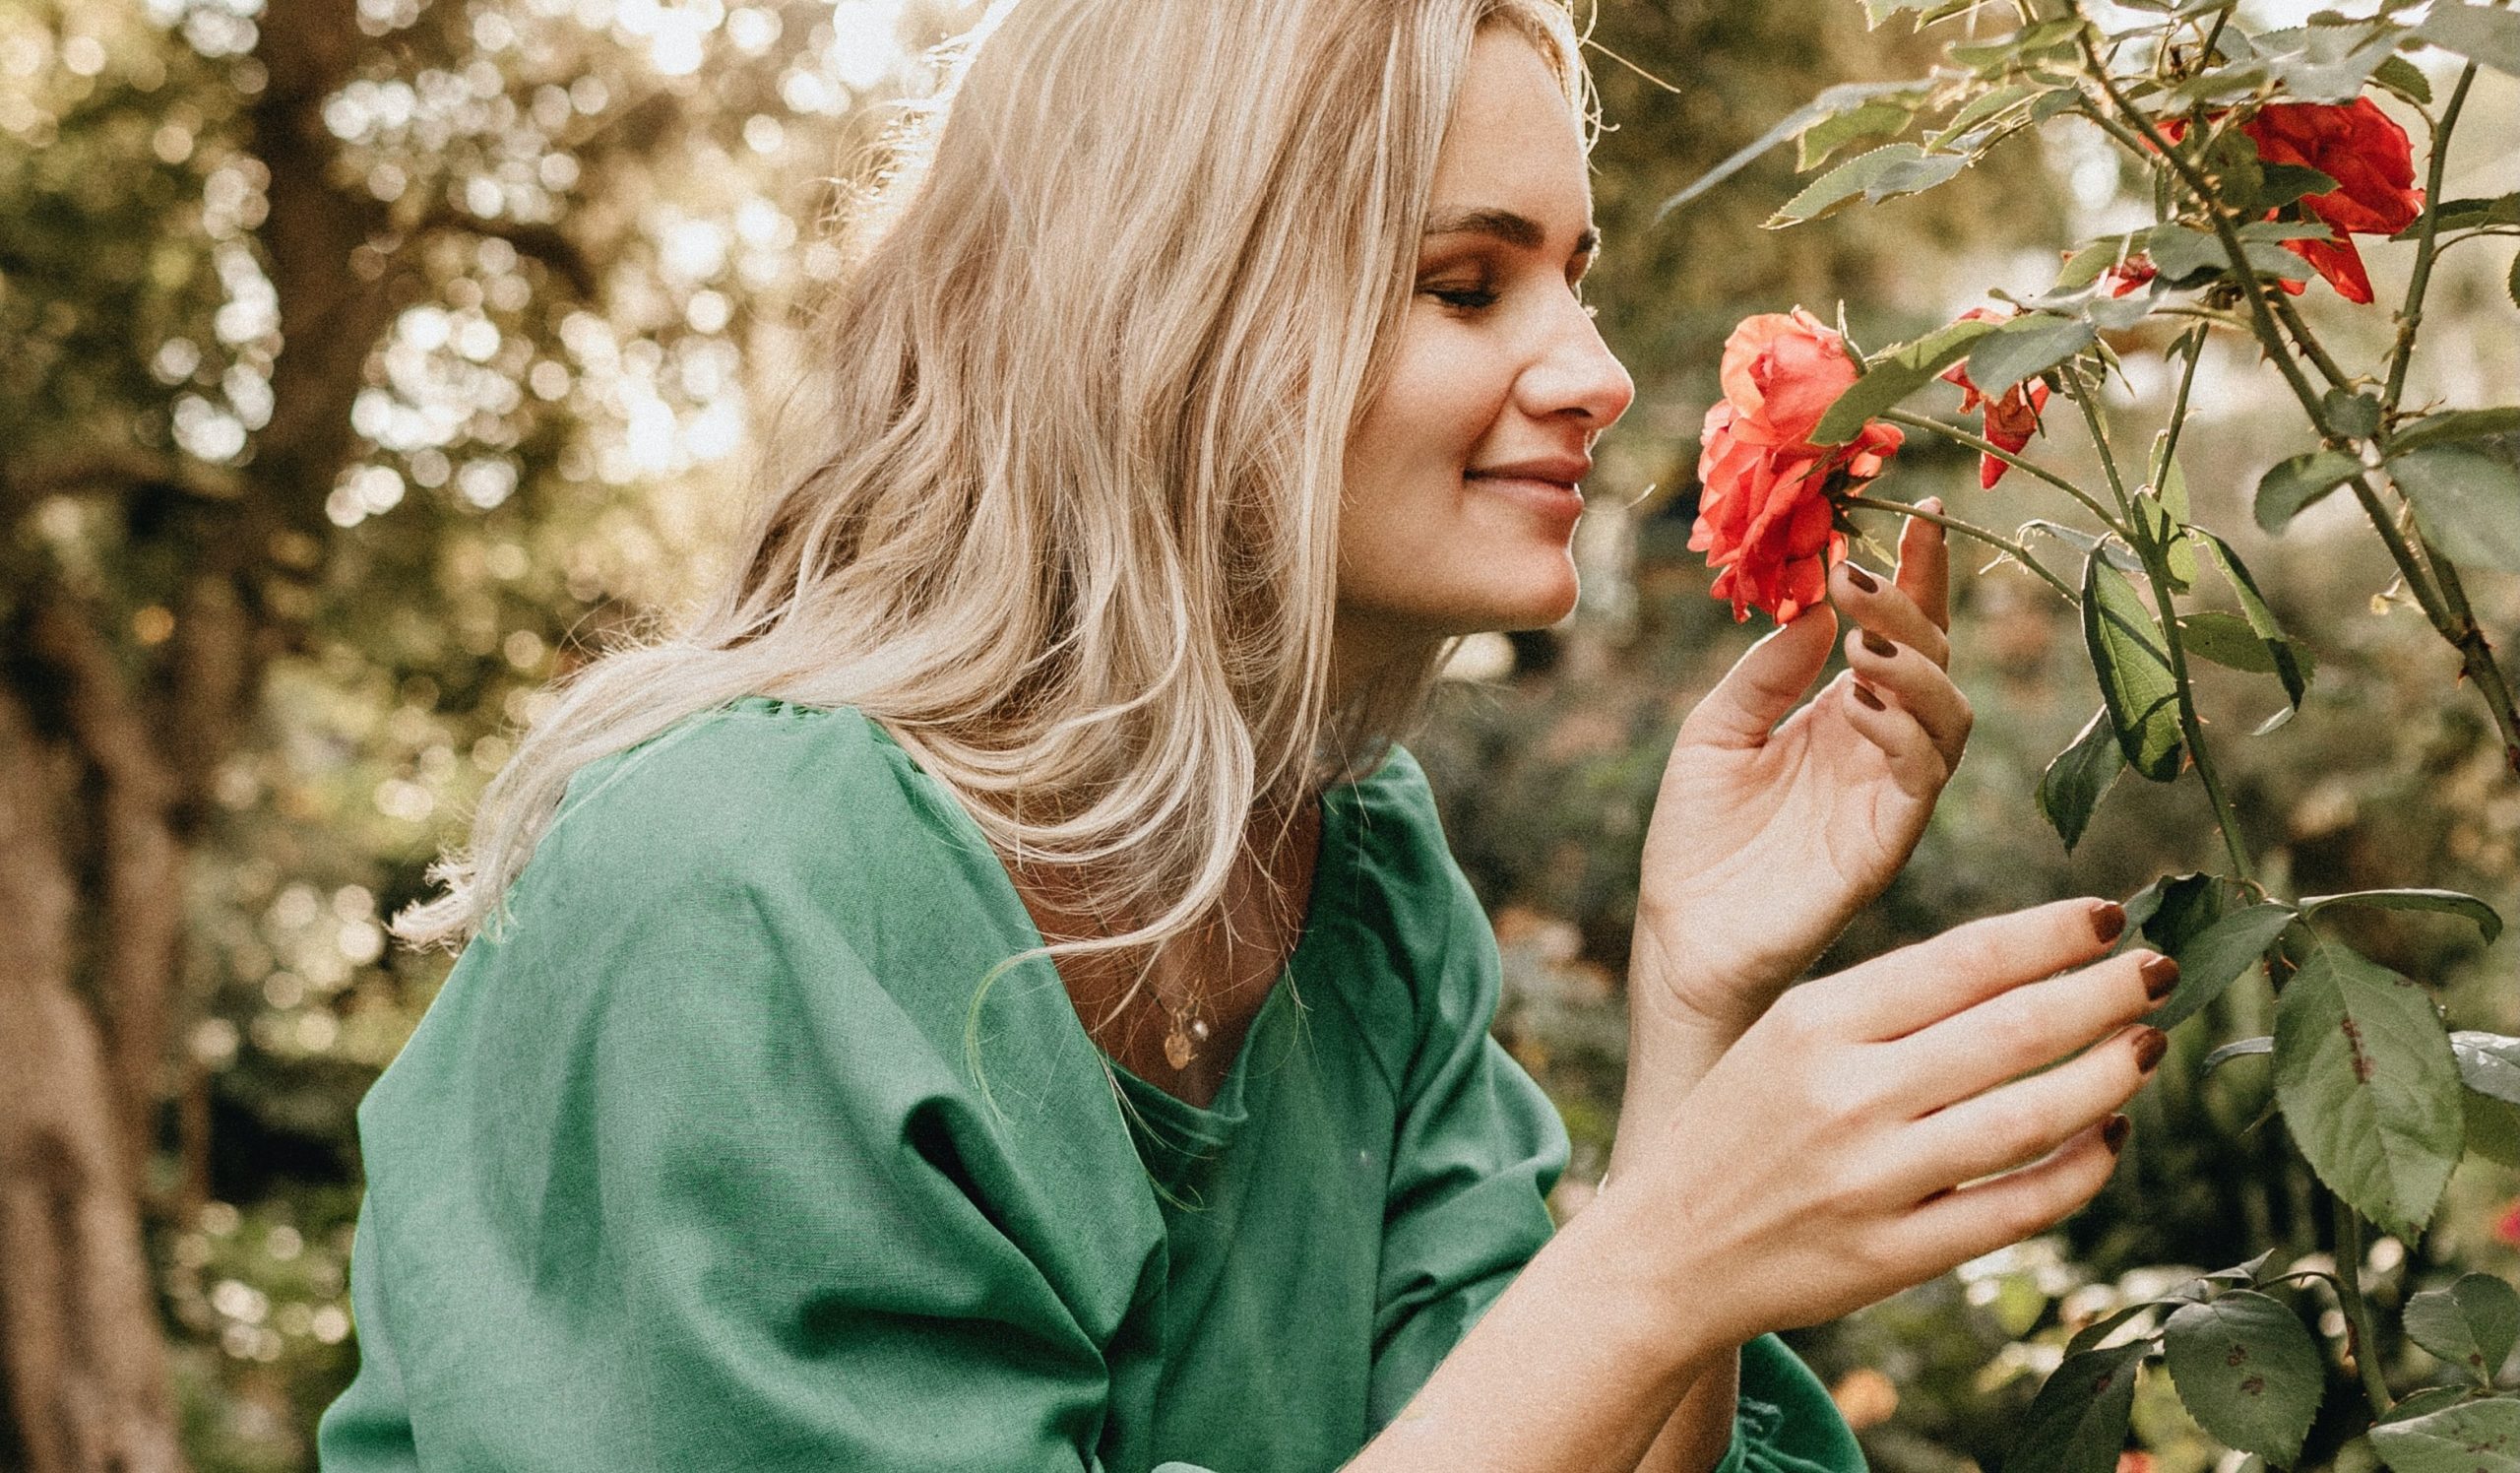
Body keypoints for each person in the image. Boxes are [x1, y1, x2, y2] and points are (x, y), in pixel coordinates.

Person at [317, 1, 2173, 1468]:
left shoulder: (1351, 868)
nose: (1600, 373)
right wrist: (1654, 1260)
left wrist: (1695, 1003)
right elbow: (1581, 1346)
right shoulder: (734, 896)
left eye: (1575, 276)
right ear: (1173, 311)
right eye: (1469, 281)